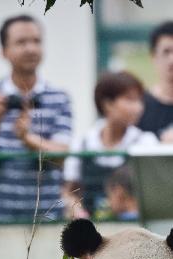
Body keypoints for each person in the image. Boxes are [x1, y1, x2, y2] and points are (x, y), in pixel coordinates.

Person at [0, 15, 72, 223]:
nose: (31, 48)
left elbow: (61, 155)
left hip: (45, 217)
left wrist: (28, 139)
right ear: (4, 51)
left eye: (36, 41)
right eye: (21, 42)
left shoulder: (59, 98)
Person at [62, 71, 156, 220]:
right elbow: (69, 192)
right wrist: (77, 212)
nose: (138, 107)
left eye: (139, 100)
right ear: (108, 104)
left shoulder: (145, 142)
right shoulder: (82, 143)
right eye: (129, 100)